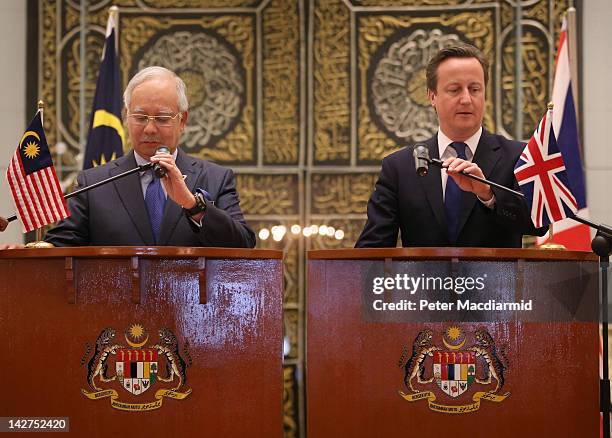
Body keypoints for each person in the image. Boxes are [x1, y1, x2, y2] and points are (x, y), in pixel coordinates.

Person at [356, 43, 544, 248]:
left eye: (475, 89)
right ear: (432, 96)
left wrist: (488, 195)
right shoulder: (399, 167)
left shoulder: (518, 156)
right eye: (454, 90)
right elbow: (372, 249)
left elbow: (538, 224)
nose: (466, 99)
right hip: (425, 281)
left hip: (495, 280)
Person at [42, 66, 255, 248]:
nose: (150, 128)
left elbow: (243, 244)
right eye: (140, 117)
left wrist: (193, 205)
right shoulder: (94, 183)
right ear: (126, 116)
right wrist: (21, 252)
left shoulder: (216, 178)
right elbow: (59, 246)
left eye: (162, 118)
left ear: (182, 121)